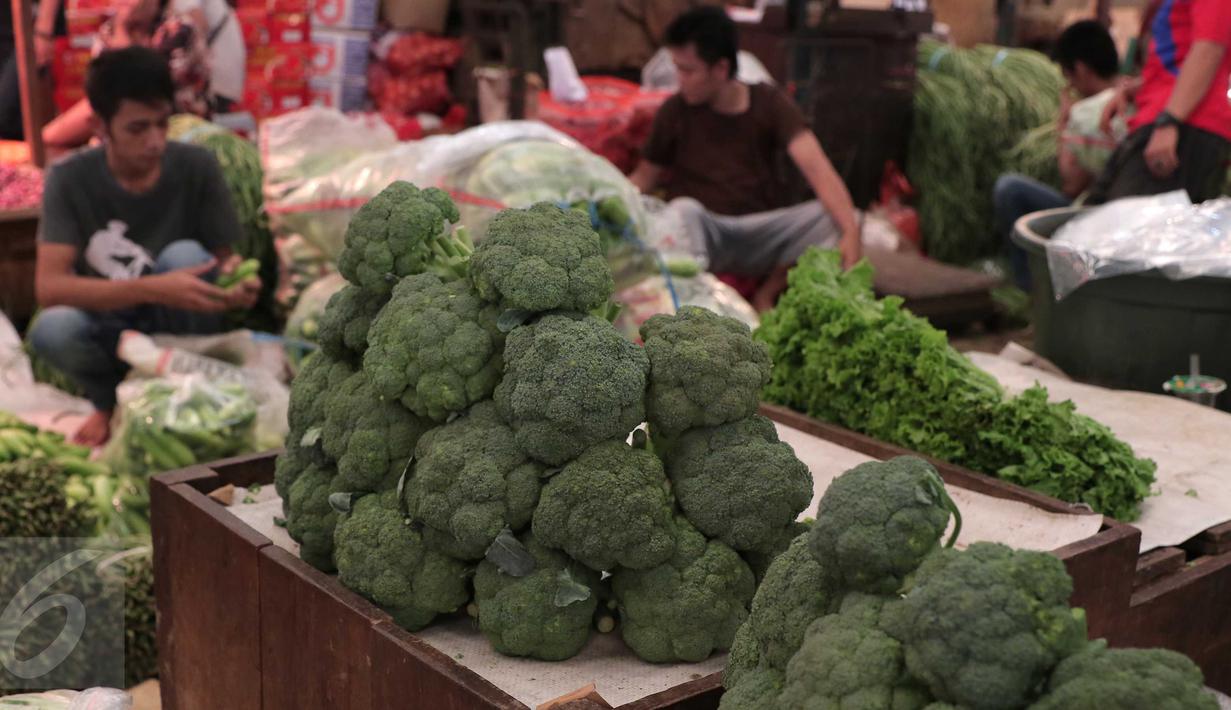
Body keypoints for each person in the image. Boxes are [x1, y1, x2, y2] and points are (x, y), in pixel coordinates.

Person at [29, 47, 258, 446]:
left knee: (184, 255)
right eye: (137, 128)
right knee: (52, 329)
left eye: (161, 124)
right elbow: (49, 288)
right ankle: (109, 403)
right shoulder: (69, 179)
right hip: (108, 326)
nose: (155, 141)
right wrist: (154, 287)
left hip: (181, 325)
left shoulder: (196, 165)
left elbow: (224, 260)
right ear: (101, 126)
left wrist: (235, 287)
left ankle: (187, 395)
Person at [629, 6, 860, 312]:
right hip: (705, 233)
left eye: (687, 70)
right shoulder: (674, 111)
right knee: (683, 212)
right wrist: (607, 202)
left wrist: (852, 233)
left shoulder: (769, 103)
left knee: (838, 217)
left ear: (721, 69)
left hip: (759, 233)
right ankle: (698, 307)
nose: (678, 79)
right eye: (677, 68)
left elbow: (819, 171)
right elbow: (644, 178)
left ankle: (768, 294)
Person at [993, 20, 1123, 289]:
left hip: (1101, 220)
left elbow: (1072, 184)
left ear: (1081, 69)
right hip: (1122, 213)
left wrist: (1064, 124)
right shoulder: (1134, 96)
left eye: (1068, 76)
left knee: (1009, 189)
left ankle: (1031, 288)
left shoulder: (1088, 115)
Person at [41, 0, 244, 155]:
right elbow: (102, 94)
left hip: (177, 135)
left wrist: (121, 34)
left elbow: (135, 89)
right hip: (124, 135)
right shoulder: (109, 31)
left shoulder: (179, 31)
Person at [1089, 0, 1231, 204]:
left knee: (1129, 228)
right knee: (1102, 219)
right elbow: (1179, 59)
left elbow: (1209, 49)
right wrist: (1133, 89)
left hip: (1187, 127)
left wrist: (1170, 121)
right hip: (1167, 121)